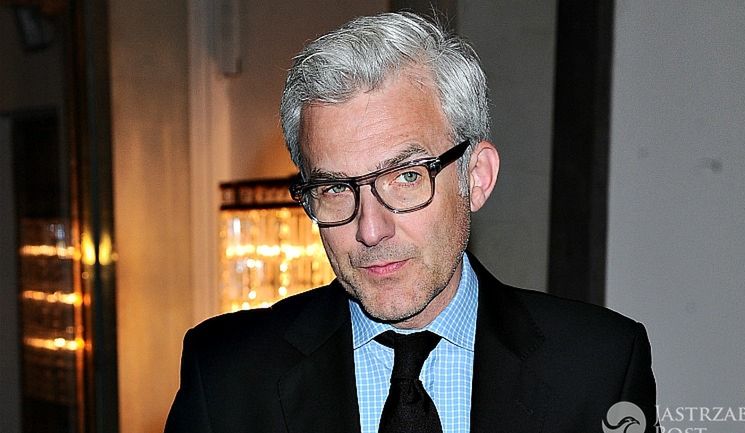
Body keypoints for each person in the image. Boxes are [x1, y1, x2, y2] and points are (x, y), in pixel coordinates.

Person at [165, 12, 656, 433]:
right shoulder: (226, 374)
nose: (370, 230)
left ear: (476, 177)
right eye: (335, 188)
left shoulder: (600, 366)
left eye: (405, 177)